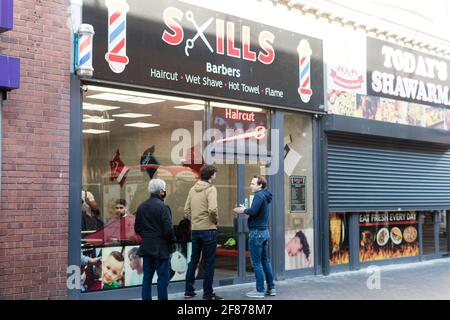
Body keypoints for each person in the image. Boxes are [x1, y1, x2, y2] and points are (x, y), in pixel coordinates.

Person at [184, 165, 223, 300]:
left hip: (195, 230)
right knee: (209, 263)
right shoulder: (211, 189)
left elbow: (186, 211)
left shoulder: (192, 189)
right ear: (211, 175)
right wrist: (215, 221)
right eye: (215, 174)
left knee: (194, 260)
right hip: (209, 230)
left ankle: (189, 291)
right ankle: (207, 294)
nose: (215, 176)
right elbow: (212, 210)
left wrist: (195, 221)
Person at [234, 175, 275, 298]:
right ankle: (271, 288)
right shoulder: (265, 195)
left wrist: (242, 210)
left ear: (260, 185)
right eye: (251, 183)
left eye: (253, 183)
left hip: (256, 233)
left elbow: (253, 211)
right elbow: (256, 212)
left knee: (256, 262)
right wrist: (248, 210)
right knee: (265, 260)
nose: (250, 185)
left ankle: (260, 290)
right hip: (264, 232)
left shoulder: (259, 195)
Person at [135, 179, 176, 300]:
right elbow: (168, 230)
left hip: (147, 247)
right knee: (163, 278)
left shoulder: (141, 207)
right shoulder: (163, 207)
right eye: (164, 190)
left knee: (147, 278)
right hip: (161, 249)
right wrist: (172, 241)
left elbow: (137, 229)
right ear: (161, 191)